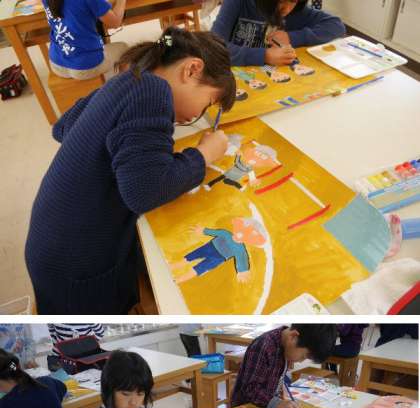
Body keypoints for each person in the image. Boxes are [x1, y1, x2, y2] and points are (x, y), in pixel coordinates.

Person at [25, 27, 236, 314]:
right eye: (208, 103)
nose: (197, 116)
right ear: (192, 69)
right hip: (78, 268)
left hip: (49, 247)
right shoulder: (152, 91)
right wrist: (204, 155)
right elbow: (145, 191)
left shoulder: (128, 78)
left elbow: (64, 127)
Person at [230, 324, 337, 408]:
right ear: (293, 337)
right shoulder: (264, 346)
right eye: (303, 356)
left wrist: (280, 393)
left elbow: (276, 377)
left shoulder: (286, 346)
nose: (300, 361)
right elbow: (250, 389)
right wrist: (278, 403)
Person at [212, 0, 345, 66]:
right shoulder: (237, 3)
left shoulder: (296, 10)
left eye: (293, 1)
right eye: (281, 1)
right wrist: (264, 56)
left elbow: (336, 25)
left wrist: (292, 37)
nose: (287, 9)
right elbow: (213, 47)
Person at [42, 0, 128, 80]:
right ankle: (122, 87)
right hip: (84, 67)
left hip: (56, 63)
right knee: (124, 48)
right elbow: (115, 23)